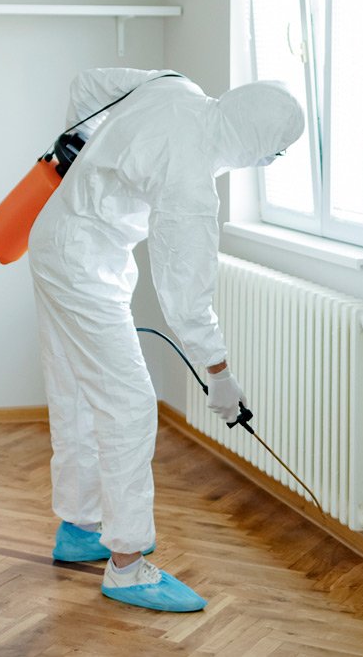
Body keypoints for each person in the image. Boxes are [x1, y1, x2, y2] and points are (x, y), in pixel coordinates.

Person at [27, 68, 304, 612]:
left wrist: (85, 161)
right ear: (257, 144)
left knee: (76, 390)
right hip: (83, 266)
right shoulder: (192, 178)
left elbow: (84, 84)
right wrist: (220, 377)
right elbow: (186, 299)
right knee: (128, 405)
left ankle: (80, 525)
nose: (269, 163)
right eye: (277, 153)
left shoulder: (174, 88)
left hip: (54, 236)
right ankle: (127, 566)